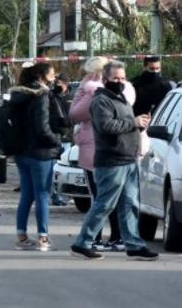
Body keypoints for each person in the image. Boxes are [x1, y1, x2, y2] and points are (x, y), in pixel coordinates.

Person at [70, 61, 159, 261]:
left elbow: (125, 125)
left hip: (128, 159)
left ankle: (134, 245)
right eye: (115, 78)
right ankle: (82, 243)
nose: (119, 82)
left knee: (130, 204)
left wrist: (140, 125)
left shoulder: (121, 99)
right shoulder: (101, 100)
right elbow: (106, 126)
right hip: (111, 161)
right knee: (105, 204)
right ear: (104, 79)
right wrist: (133, 122)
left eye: (122, 78)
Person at [69, 57, 133, 251]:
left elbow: (77, 113)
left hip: (107, 150)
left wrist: (86, 90)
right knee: (109, 198)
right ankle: (104, 238)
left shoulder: (105, 92)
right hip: (107, 149)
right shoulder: (108, 92)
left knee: (107, 198)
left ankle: (104, 238)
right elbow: (76, 114)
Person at [9, 63, 61, 252]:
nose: (54, 78)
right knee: (42, 195)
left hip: (21, 152)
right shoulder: (41, 96)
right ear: (41, 76)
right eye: (52, 74)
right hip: (41, 152)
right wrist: (56, 141)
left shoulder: (18, 95)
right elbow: (42, 127)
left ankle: (21, 237)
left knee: (27, 195)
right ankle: (43, 238)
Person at [49, 73, 73, 206]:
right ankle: (55, 196)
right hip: (55, 138)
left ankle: (67, 194)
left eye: (60, 82)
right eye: (56, 82)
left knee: (66, 170)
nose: (57, 84)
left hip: (68, 139)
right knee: (54, 170)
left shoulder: (73, 97)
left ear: (66, 83)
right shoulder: (51, 96)